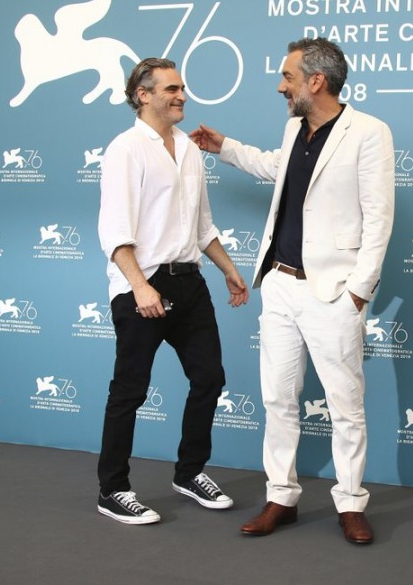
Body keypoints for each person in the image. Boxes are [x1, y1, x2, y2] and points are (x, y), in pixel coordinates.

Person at [191, 38, 395, 544]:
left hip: (333, 293)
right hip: (280, 285)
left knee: (346, 405)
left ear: (316, 82)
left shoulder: (369, 133)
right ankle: (281, 496)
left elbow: (379, 218)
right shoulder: (293, 129)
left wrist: (359, 292)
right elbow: (276, 168)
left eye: (287, 77)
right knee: (279, 399)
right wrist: (226, 149)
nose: (280, 86)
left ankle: (350, 503)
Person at [96, 57, 249, 525]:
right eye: (171, 89)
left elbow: (201, 224)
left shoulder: (187, 147)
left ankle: (189, 472)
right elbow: (114, 230)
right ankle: (112, 489)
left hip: (189, 279)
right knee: (130, 391)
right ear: (143, 95)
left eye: (182, 88)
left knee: (209, 379)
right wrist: (140, 286)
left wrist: (227, 269)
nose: (182, 96)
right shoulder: (126, 149)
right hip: (142, 283)